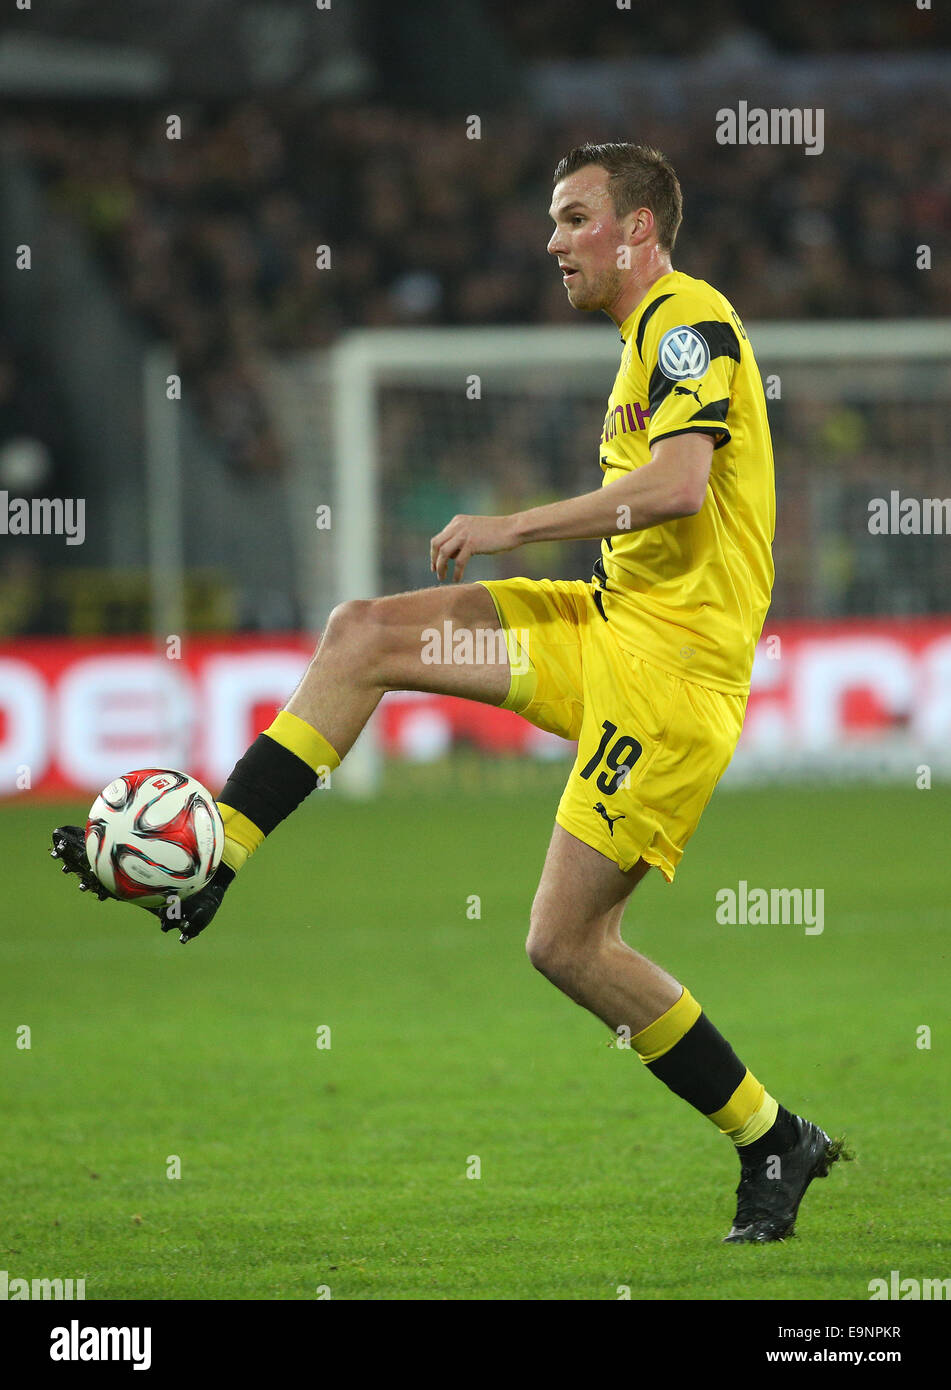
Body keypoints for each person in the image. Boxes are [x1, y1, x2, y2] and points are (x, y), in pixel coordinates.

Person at [52, 141, 848, 1243]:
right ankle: (216, 857)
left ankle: (773, 1137)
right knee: (363, 634)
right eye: (554, 221)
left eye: (576, 218)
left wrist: (513, 523)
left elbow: (678, 485)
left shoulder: (688, 319)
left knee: (567, 945)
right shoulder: (638, 343)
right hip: (605, 628)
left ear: (640, 232)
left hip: (671, 684)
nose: (554, 240)